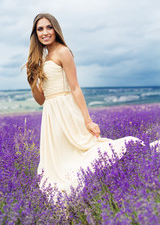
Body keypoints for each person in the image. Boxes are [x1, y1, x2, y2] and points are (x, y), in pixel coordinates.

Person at [25, 13, 155, 193]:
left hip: (66, 110)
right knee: (59, 160)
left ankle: (130, 164)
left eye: (49, 27)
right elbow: (41, 100)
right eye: (40, 29)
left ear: (56, 29)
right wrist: (32, 82)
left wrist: (88, 120)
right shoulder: (42, 60)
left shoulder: (63, 51)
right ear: (35, 34)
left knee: (82, 151)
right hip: (50, 114)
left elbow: (75, 87)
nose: (45, 32)